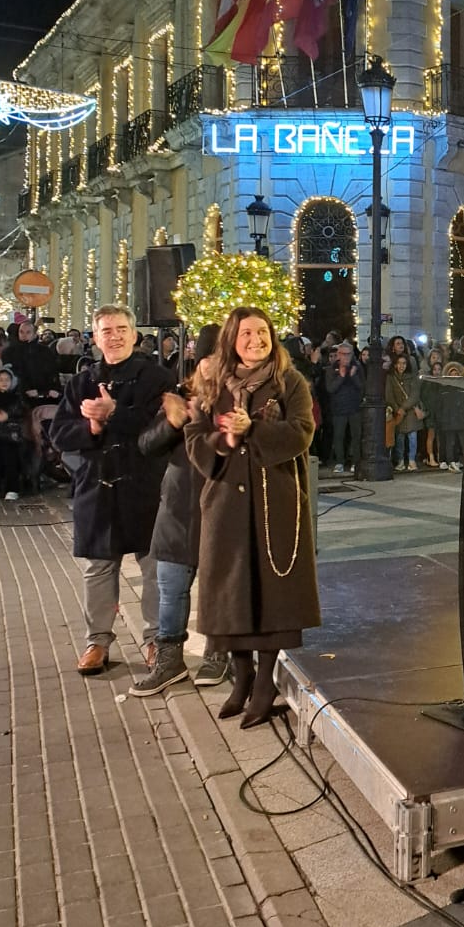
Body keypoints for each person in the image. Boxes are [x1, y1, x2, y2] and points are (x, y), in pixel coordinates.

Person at [185, 307, 319, 729]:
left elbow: (302, 432)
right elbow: (193, 435)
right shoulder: (211, 383)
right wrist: (224, 439)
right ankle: (241, 676)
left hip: (274, 501)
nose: (256, 340)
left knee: (271, 593)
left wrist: (255, 430)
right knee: (229, 592)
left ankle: (264, 682)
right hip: (225, 503)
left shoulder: (290, 382)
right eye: (246, 333)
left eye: (262, 332)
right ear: (232, 339)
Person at [50, 305, 176, 674]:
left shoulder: (157, 377)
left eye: (122, 329)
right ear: (96, 338)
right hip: (97, 486)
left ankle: (155, 640)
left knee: (152, 566)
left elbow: (163, 428)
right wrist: (90, 429)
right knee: (98, 567)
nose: (115, 336)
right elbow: (58, 433)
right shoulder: (81, 382)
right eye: (107, 330)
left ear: (135, 335)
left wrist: (114, 413)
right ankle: (97, 642)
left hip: (144, 485)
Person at [130, 326, 228, 696]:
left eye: (221, 358)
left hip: (219, 510)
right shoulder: (180, 398)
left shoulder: (237, 401)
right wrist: (173, 423)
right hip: (176, 510)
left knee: (218, 589)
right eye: (207, 358)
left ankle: (218, 653)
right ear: (197, 362)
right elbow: (146, 445)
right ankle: (169, 661)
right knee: (170, 590)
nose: (213, 365)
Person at [324, 341, 363, 474]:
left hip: (354, 407)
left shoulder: (357, 367)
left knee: (356, 436)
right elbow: (330, 388)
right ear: (338, 354)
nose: (346, 357)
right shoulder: (331, 369)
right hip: (339, 408)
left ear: (352, 354)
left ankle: (355, 462)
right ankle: (339, 462)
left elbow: (362, 387)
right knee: (339, 436)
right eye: (343, 354)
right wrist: (341, 376)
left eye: (348, 354)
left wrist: (353, 376)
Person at [4, 319, 61, 409]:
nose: (24, 335)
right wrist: (25, 389)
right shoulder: (10, 352)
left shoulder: (45, 351)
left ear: (34, 334)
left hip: (45, 394)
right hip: (20, 395)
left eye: (28, 332)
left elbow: (52, 371)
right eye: (21, 332)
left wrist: (51, 390)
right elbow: (12, 373)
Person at [0, 365, 26, 501]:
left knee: (11, 462)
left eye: (7, 379)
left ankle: (12, 489)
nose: (4, 382)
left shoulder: (16, 397)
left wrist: (8, 414)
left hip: (11, 435)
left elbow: (21, 410)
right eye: (1, 379)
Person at [386, 352, 424, 470]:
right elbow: (389, 395)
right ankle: (400, 460)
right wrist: (397, 409)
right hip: (398, 413)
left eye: (404, 363)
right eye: (399, 363)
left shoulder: (413, 377)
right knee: (399, 438)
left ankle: (412, 460)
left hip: (410, 411)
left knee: (412, 437)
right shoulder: (391, 377)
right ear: (395, 364)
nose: (401, 366)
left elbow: (415, 395)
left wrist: (404, 407)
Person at [434, 361, 464, 469]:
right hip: (448, 420)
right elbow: (439, 406)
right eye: (452, 374)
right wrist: (440, 419)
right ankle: (451, 461)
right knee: (450, 442)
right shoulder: (443, 390)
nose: (454, 376)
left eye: (456, 374)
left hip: (462, 420)